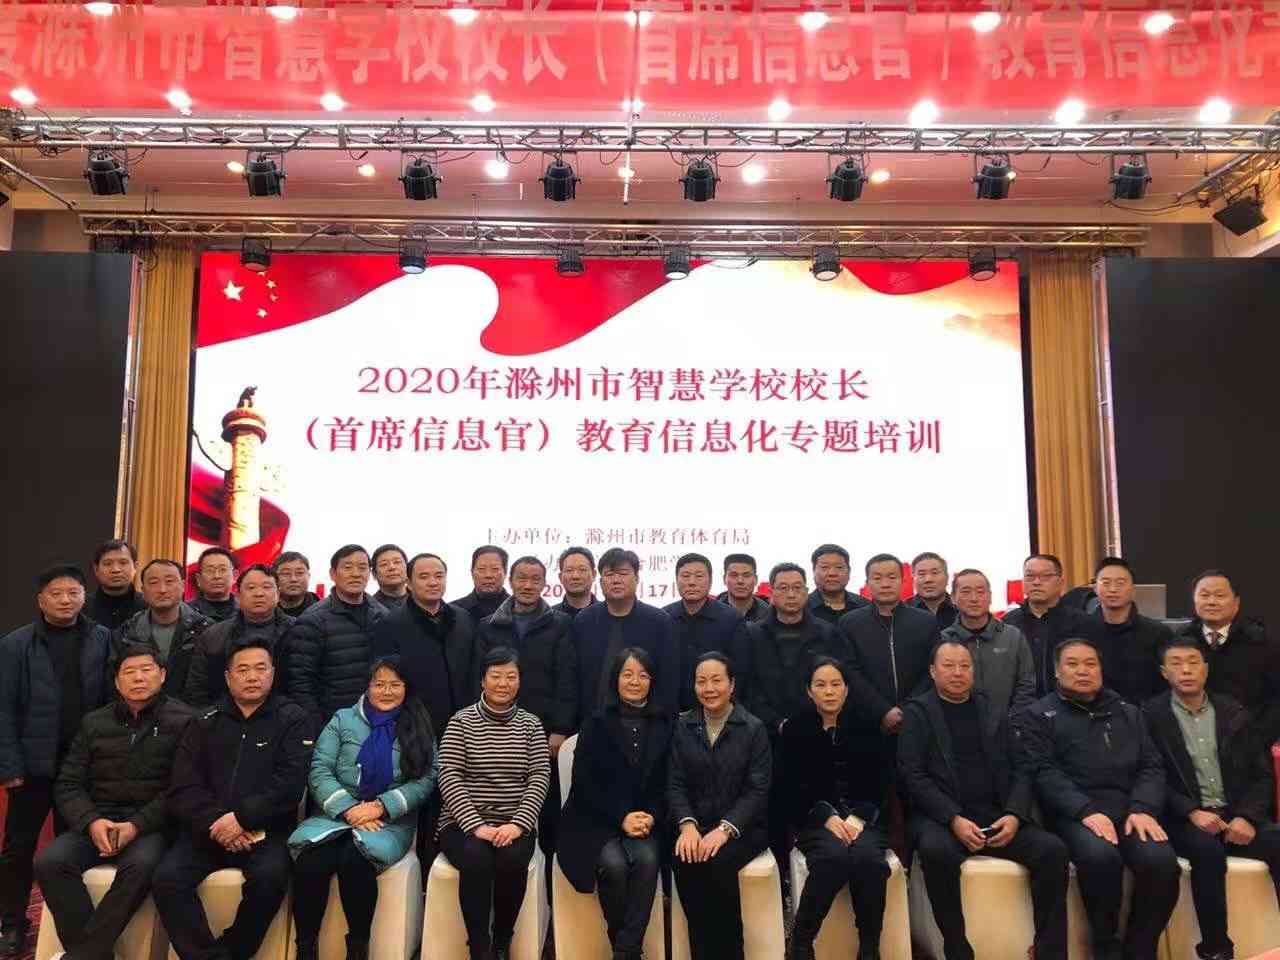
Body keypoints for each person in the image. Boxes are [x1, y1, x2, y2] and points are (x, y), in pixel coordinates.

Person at [898, 642, 1069, 960]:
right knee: (935, 852)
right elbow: (913, 776)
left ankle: (1049, 951)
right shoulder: (918, 713)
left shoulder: (991, 709)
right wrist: (953, 818)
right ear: (933, 672)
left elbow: (1023, 766)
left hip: (997, 816)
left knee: (1052, 850)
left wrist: (1015, 814)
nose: (958, 673)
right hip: (943, 820)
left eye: (965, 666)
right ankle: (957, 948)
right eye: (949, 666)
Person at [1017, 639, 1179, 960]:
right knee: (1100, 858)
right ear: (1057, 671)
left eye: (1090, 664)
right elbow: (1042, 771)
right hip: (1075, 813)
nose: (1083, 671)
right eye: (1073, 664)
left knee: (1161, 864)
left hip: (1131, 810)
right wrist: (1085, 810)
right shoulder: (1039, 715)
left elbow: (1151, 765)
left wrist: (1143, 808)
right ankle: (1105, 946)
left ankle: (1140, 948)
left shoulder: (1128, 712)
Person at [34, 645, 195, 960]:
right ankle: (97, 955)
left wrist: (136, 825)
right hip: (98, 821)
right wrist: (92, 821)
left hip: (150, 827)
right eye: (129, 672)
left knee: (142, 866)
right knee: (49, 862)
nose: (138, 678)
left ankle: (83, 955)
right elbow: (68, 783)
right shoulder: (95, 722)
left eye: (146, 670)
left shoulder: (186, 721)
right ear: (117, 682)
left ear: (162, 675)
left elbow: (182, 789)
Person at [153, 638, 311, 960]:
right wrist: (217, 822)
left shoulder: (293, 718)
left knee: (270, 878)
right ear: (228, 677)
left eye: (260, 668)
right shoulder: (204, 720)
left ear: (272, 673)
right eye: (243, 670)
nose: (252, 676)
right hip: (206, 830)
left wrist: (242, 819)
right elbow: (183, 785)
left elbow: (290, 784)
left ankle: (233, 952)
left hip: (266, 832)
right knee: (167, 879)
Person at [289, 657, 439, 960]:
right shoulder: (343, 719)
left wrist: (381, 807)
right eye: (379, 684)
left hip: (388, 822)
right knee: (310, 862)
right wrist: (348, 809)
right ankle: (305, 948)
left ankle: (358, 948)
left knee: (355, 861)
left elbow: (427, 778)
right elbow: (319, 769)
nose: (387, 691)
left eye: (395, 685)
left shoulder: (418, 723)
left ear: (406, 688)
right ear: (368, 687)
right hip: (334, 816)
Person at [1143, 636, 1280, 960]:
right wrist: (1191, 811)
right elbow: (1150, 776)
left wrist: (1246, 816)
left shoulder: (1234, 712)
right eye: (1176, 663)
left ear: (1206, 668)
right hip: (1184, 819)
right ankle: (1216, 949)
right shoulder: (1149, 716)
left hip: (1235, 815)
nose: (1186, 670)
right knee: (1207, 852)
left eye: (1193, 662)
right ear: (1163, 672)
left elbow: (1261, 774)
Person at [0, 565, 112, 958]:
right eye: (56, 593)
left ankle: (68, 927)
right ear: (41, 600)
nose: (66, 600)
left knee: (71, 851)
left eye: (73, 592)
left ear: (84, 596)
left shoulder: (102, 638)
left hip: (82, 768)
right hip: (31, 767)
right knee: (18, 849)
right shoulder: (15, 644)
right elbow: (3, 708)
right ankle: (12, 922)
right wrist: (9, 766)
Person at [557, 648, 674, 960]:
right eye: (627, 674)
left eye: (643, 675)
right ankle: (628, 950)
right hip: (594, 819)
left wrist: (652, 816)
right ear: (615, 679)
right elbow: (585, 783)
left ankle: (624, 952)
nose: (635, 681)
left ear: (652, 681)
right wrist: (621, 817)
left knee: (647, 859)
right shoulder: (595, 723)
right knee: (614, 864)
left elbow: (670, 782)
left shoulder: (666, 724)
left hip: (646, 820)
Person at [437, 647, 550, 960]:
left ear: (520, 681)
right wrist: (476, 826)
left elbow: (539, 777)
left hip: (514, 823)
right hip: (461, 824)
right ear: (482, 681)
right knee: (476, 856)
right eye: (496, 676)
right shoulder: (461, 722)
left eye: (511, 677)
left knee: (511, 859)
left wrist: (518, 824)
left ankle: (501, 940)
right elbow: (449, 776)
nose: (503, 683)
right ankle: (479, 947)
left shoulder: (531, 725)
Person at [746, 562, 850, 885]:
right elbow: (748, 688)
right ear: (770, 593)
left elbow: (836, 683)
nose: (790, 594)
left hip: (817, 735)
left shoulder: (827, 633)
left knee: (813, 801)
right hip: (768, 737)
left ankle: (815, 870)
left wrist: (808, 723)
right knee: (773, 809)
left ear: (807, 591)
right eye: (783, 588)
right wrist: (777, 723)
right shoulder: (752, 634)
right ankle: (780, 885)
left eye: (797, 588)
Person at [475, 556, 577, 884]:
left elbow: (567, 679)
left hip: (544, 731)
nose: (528, 585)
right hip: (497, 728)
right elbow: (478, 677)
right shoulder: (489, 625)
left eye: (535, 579)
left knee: (546, 806)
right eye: (522, 578)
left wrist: (560, 728)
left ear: (545, 584)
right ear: (511, 580)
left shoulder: (560, 623)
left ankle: (546, 884)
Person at [784, 658, 893, 960]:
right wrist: (826, 816)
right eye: (820, 685)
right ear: (809, 691)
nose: (829, 691)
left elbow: (883, 780)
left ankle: (869, 946)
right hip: (815, 822)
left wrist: (859, 816)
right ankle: (801, 941)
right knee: (831, 857)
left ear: (846, 689)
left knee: (868, 859)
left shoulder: (867, 724)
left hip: (865, 820)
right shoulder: (795, 728)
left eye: (835, 684)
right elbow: (788, 786)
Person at [668, 652, 771, 960]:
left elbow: (757, 789)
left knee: (717, 865)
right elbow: (674, 783)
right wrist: (687, 826)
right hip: (696, 825)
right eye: (701, 681)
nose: (709, 688)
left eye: (717, 680)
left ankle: (731, 953)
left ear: (732, 684)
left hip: (744, 829)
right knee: (686, 860)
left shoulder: (753, 728)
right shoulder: (683, 726)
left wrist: (725, 829)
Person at [840, 554, 940, 753]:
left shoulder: (926, 622)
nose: (885, 584)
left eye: (892, 577)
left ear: (903, 581)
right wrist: (882, 710)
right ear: (867, 583)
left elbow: (932, 669)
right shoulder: (850, 623)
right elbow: (850, 671)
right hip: (868, 721)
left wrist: (907, 709)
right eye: (877, 578)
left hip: (919, 718)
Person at [372, 553, 477, 739]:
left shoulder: (464, 619)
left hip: (465, 725)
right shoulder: (390, 625)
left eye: (439, 576)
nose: (433, 582)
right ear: (409, 583)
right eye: (424, 577)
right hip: (414, 727)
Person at [286, 544, 388, 728]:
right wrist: (317, 727)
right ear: (333, 574)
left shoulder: (382, 615)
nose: (356, 574)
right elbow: (300, 682)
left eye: (362, 567)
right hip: (333, 723)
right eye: (347, 567)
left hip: (380, 718)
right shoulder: (313, 620)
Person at [1177, 570, 1280, 749]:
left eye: (1219, 595)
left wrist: (1257, 738)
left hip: (1249, 745)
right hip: (1193, 743)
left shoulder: (1261, 642)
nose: (1211, 601)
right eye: (1204, 595)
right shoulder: (1180, 642)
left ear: (1236, 602)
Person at [572, 548, 679, 717]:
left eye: (623, 573)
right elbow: (573, 677)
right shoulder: (584, 620)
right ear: (600, 582)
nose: (616, 580)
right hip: (592, 720)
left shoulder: (659, 621)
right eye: (609, 574)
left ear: (636, 579)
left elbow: (668, 679)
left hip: (646, 721)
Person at [938, 568, 1036, 734]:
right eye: (966, 592)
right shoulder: (944, 640)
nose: (974, 598)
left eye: (980, 591)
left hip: (1008, 732)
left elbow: (1026, 685)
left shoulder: (1012, 636)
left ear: (990, 597)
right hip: (958, 731)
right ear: (953, 598)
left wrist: (1014, 724)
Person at [185, 564, 293, 708]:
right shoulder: (214, 636)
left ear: (278, 594)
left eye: (266, 587)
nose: (259, 593)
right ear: (238, 595)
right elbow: (197, 690)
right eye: (251, 588)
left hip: (286, 715)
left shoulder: (298, 631)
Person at [1004, 554, 1102, 697]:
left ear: (1061, 582)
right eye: (1030, 576)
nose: (1036, 582)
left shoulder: (1083, 623)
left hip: (1069, 703)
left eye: (1045, 576)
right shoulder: (1008, 623)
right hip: (1020, 705)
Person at [663, 553, 752, 712]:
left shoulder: (731, 620)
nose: (691, 582)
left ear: (710, 581)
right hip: (672, 711)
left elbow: (741, 672)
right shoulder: (664, 618)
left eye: (699, 576)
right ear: (676, 580)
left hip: (718, 711)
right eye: (685, 576)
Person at [116, 559, 213, 698]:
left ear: (182, 586)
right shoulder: (127, 632)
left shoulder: (206, 629)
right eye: (153, 583)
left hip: (193, 709)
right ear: (143, 590)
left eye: (169, 581)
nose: (162, 589)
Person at [1091, 557, 1170, 705]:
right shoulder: (1080, 631)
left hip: (1143, 713)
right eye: (1106, 583)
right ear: (1095, 588)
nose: (1113, 589)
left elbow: (1167, 683)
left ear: (1133, 589)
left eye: (1120, 583)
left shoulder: (1158, 633)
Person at [86, 539, 145, 631]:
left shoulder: (148, 607)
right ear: (96, 569)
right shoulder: (81, 608)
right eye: (107, 564)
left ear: (135, 567)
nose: (116, 569)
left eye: (123, 563)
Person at [808, 545, 869, 626]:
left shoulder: (866, 607)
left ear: (849, 571)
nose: (832, 573)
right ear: (813, 571)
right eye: (824, 567)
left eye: (839, 567)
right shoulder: (801, 608)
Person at [454, 546, 511, 622]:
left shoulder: (518, 609)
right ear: (472, 572)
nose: (488, 575)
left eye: (495, 569)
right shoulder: (453, 611)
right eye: (481, 569)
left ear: (505, 572)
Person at [907, 552, 957, 630]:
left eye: (934, 573)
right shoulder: (900, 612)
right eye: (921, 574)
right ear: (913, 579)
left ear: (947, 577)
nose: (928, 579)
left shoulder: (961, 609)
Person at [717, 554, 770, 623]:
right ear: (724, 579)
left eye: (746, 575)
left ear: (756, 579)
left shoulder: (770, 616)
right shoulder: (711, 613)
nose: (740, 581)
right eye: (734, 575)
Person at [191, 547, 239, 623]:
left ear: (235, 576)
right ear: (198, 579)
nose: (217, 576)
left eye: (222, 569)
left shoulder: (246, 611)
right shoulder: (186, 612)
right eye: (210, 570)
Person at [554, 547, 598, 619]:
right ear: (560, 577)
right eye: (569, 570)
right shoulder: (548, 618)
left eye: (582, 570)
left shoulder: (608, 614)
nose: (575, 576)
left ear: (594, 574)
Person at [274, 552, 319, 617]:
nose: (293, 579)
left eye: (299, 573)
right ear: (274, 578)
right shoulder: (263, 613)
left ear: (308, 576)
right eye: (286, 573)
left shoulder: (324, 611)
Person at [371, 544, 409, 611]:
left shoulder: (423, 601)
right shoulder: (370, 609)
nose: (392, 567)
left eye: (397, 562)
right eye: (384, 564)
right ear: (374, 574)